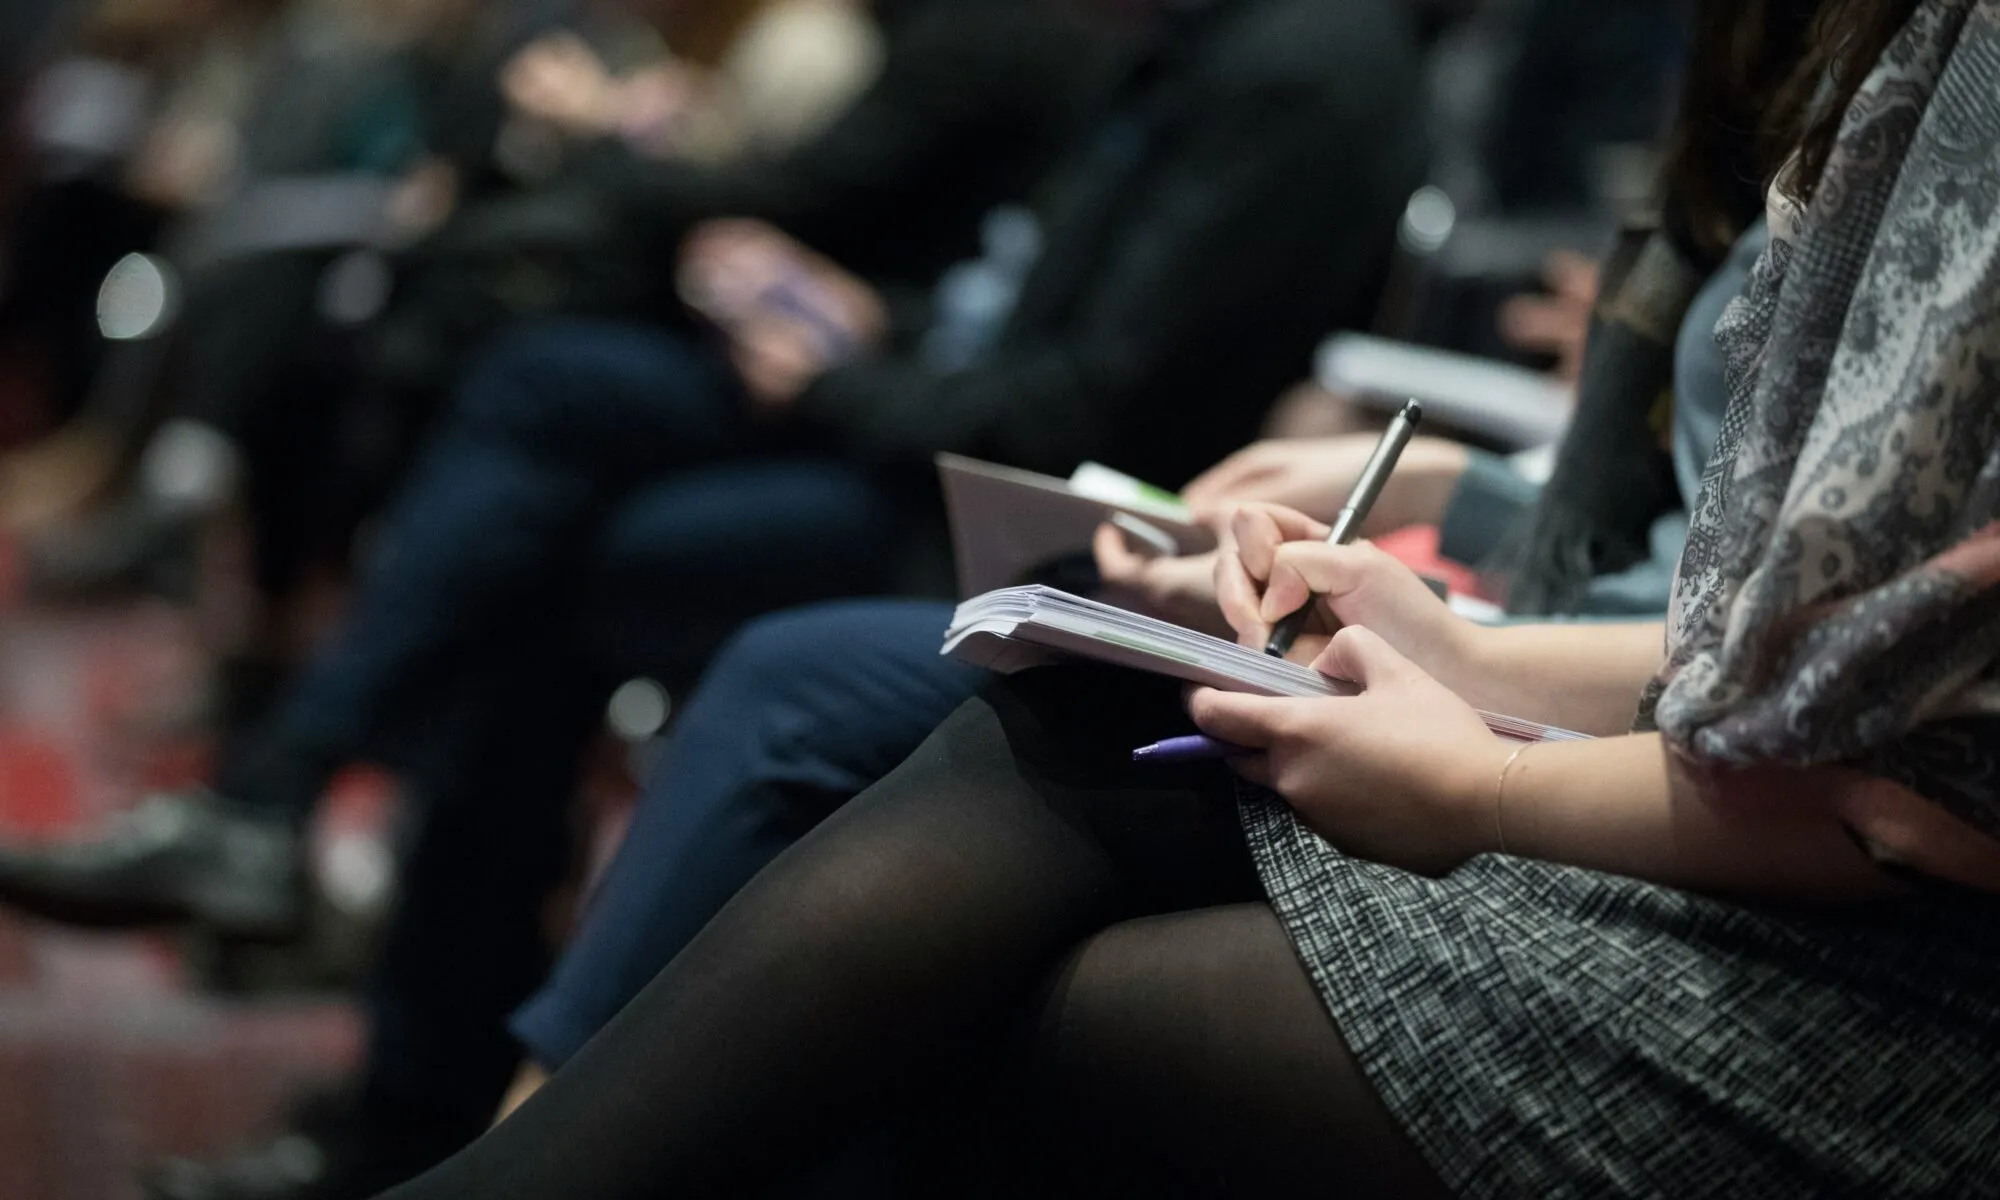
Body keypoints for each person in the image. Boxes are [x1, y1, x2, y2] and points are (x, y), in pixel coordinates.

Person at [372, 0, 2000, 1193]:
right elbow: (1767, 655)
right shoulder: (1845, 59)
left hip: (1884, 996)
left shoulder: (1307, 63)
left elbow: (1891, 783)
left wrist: (1491, 759)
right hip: (1685, 756)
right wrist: (1439, 622)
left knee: (952, 937)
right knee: (1029, 699)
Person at [3, 1, 1432, 1197]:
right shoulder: (1182, 33)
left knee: (569, 567)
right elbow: (1011, 305)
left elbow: (1084, 404)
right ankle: (399, 1042)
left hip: (1052, 526)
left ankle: (444, 1097)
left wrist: (836, 370)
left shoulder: (1289, 63)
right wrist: (867, 321)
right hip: (941, 432)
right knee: (538, 401)